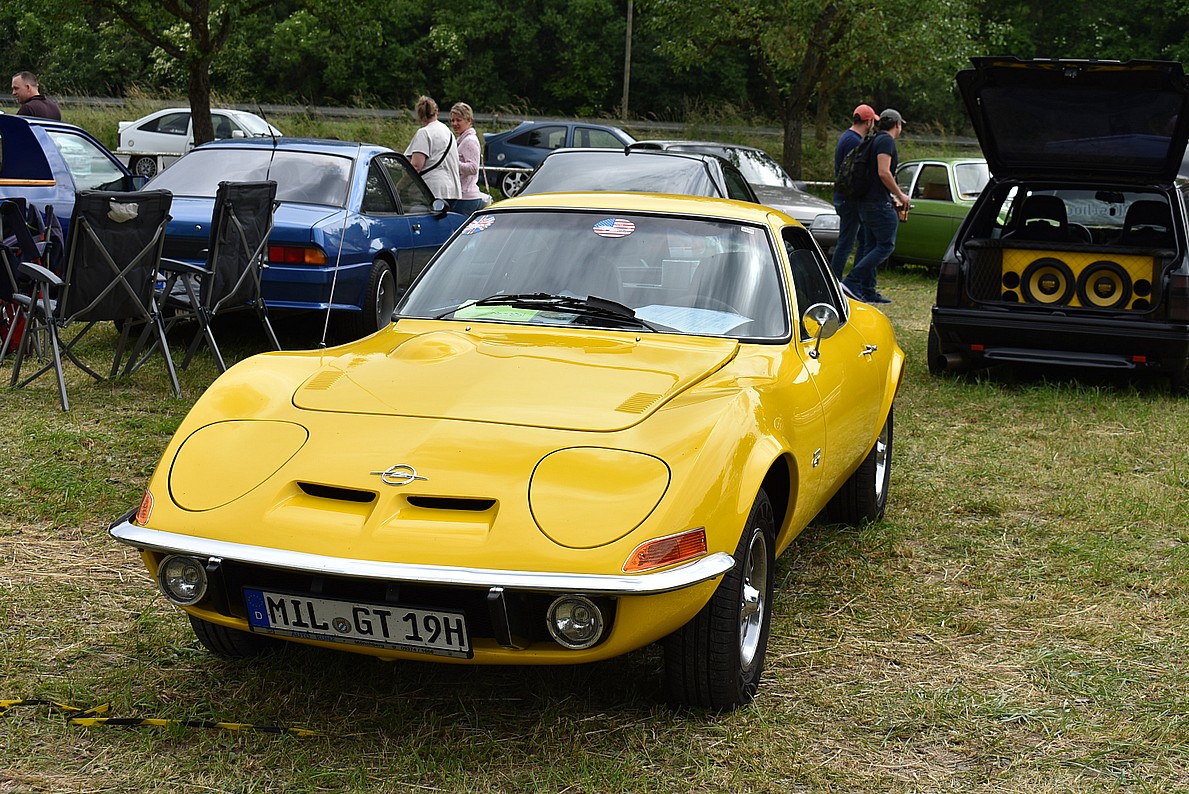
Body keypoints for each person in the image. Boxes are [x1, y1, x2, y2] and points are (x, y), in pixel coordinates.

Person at [840, 108, 911, 305]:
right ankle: (852, 281)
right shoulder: (886, 141)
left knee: (870, 246)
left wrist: (891, 195)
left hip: (866, 201)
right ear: (897, 124)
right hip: (877, 203)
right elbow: (883, 172)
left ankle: (867, 290)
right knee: (886, 245)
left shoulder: (873, 140)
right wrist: (900, 195)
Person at [829, 104, 877, 280]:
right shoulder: (854, 142)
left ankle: (855, 279)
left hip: (845, 198)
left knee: (861, 240)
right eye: (873, 122)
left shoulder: (847, 137)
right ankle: (835, 281)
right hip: (849, 199)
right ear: (868, 122)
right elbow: (856, 173)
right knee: (846, 244)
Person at [405, 95, 460, 204]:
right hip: (452, 190)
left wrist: (398, 186)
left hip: (431, 191)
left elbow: (416, 166)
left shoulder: (424, 133)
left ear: (419, 114)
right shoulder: (448, 132)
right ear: (436, 111)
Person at [449, 102, 488, 216]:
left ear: (469, 121)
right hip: (462, 195)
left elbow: (473, 168)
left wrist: (452, 163)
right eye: (452, 120)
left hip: (466, 197)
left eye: (458, 120)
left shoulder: (470, 141)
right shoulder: (461, 140)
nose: (454, 124)